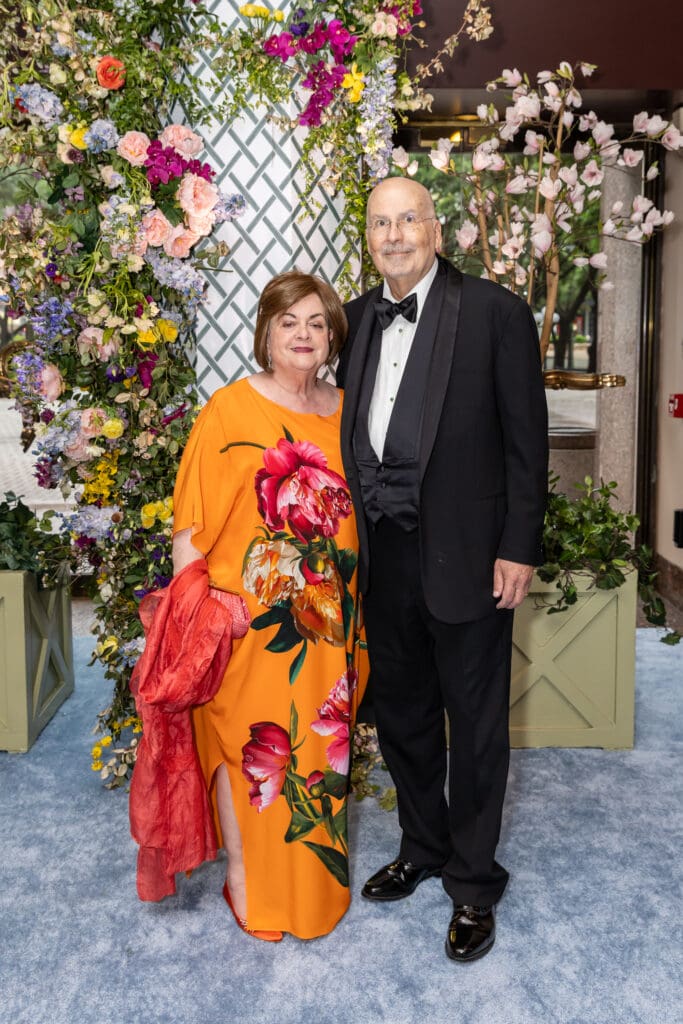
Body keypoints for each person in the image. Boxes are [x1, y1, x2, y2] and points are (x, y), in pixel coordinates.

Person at [336, 177, 548, 962]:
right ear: (368, 235)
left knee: (478, 727)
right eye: (380, 222)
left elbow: (528, 440)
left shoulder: (494, 312)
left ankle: (472, 881)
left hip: (471, 555)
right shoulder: (354, 319)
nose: (394, 235)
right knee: (403, 719)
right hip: (380, 558)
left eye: (407, 219)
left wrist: (518, 544)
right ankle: (421, 847)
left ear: (436, 226)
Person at [171, 271, 364, 941]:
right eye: (289, 322)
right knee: (244, 744)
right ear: (266, 332)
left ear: (333, 335)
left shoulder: (347, 410)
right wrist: (194, 616)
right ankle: (244, 881)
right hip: (250, 618)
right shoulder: (228, 408)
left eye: (317, 322)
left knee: (318, 752)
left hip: (328, 621)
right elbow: (189, 528)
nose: (304, 334)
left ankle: (315, 891)